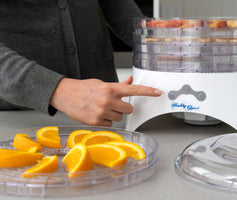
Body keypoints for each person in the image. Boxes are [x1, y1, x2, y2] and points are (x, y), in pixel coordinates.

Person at [0, 0, 162, 126]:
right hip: (20, 117)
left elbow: (113, 4)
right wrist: (56, 90)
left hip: (105, 109)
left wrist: (154, 42)